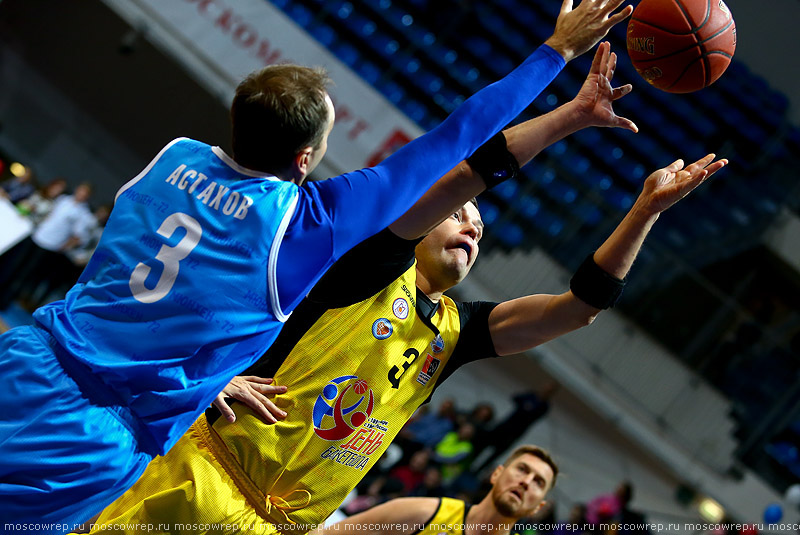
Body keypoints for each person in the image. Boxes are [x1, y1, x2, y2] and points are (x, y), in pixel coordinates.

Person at [0, 0, 621, 526]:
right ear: (306, 160)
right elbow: (458, 139)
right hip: (100, 433)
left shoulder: (173, 156)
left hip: (27, 360)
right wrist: (556, 52)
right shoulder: (306, 228)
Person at [83, 40, 723, 534]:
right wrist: (570, 116)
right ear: (419, 225)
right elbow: (464, 173)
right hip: (201, 474)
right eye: (461, 218)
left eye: (481, 232)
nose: (473, 229)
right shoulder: (367, 263)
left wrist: (643, 212)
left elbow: (581, 308)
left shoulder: (457, 331)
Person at [313, 445, 558, 535]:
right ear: (496, 474)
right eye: (522, 470)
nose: (526, 481)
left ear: (538, 508)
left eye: (539, 482)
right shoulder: (423, 513)